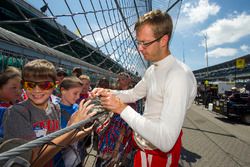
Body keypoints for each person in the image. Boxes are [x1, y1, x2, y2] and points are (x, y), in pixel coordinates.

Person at [91, 10, 197, 167]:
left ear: (163, 40)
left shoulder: (178, 75)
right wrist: (108, 92)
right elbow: (134, 94)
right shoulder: (152, 70)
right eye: (138, 42)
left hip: (159, 155)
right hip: (143, 147)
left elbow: (166, 140)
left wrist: (122, 109)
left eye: (145, 43)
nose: (140, 48)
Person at [3, 59, 96, 167]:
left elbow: (59, 143)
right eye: (30, 85)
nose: (37, 90)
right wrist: (72, 127)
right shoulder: (17, 112)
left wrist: (81, 131)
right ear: (23, 84)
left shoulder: (55, 108)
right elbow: (32, 162)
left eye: (45, 85)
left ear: (54, 85)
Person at [95, 72, 136, 167]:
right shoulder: (115, 93)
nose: (120, 81)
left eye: (123, 79)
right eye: (119, 79)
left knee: (111, 160)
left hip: (118, 136)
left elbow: (124, 126)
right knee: (102, 159)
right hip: (109, 130)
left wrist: (117, 146)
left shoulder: (132, 99)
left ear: (129, 81)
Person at [59, 76, 88, 167]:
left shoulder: (78, 108)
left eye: (79, 93)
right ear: (63, 90)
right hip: (58, 159)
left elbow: (81, 136)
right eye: (75, 93)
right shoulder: (54, 110)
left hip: (75, 158)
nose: (78, 97)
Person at [0, 67, 22, 138]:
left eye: (20, 88)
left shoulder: (15, 106)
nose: (19, 91)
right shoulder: (3, 110)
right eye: (14, 88)